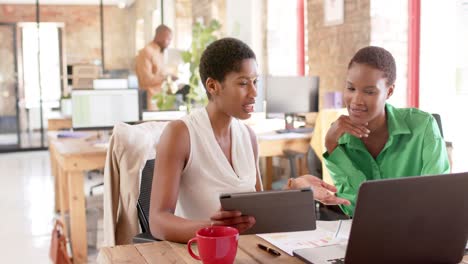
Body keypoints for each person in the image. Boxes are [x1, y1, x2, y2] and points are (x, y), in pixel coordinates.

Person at [149, 38, 350, 243]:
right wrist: (213, 229)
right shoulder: (180, 134)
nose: (254, 93)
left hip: (247, 249)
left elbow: (258, 213)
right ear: (212, 85)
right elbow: (158, 221)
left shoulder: (248, 137)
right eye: (243, 83)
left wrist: (295, 189)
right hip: (201, 253)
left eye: (255, 82)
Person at [323, 46, 450, 216]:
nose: (356, 101)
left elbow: (437, 196)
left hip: (418, 230)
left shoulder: (423, 126)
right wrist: (331, 146)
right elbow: (353, 207)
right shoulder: (340, 138)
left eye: (369, 91)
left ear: (389, 91)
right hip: (369, 234)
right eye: (351, 89)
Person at [135, 24, 173, 110]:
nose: (169, 42)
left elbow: (159, 73)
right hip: (150, 101)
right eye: (168, 39)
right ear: (159, 36)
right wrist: (166, 77)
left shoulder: (159, 52)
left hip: (160, 100)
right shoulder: (146, 52)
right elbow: (145, 80)